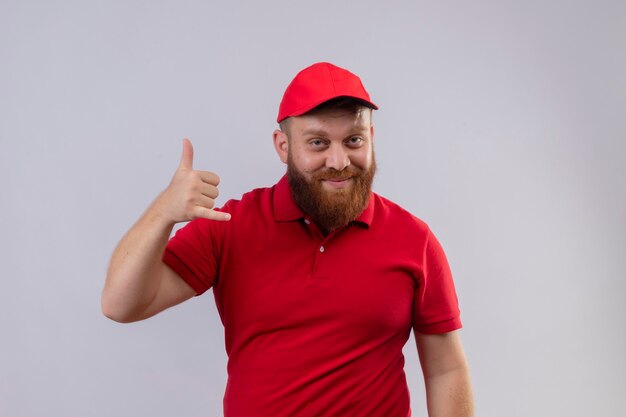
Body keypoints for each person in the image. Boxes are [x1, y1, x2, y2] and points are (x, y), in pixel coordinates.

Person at [102, 62, 474, 417]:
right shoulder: (230, 225)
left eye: (354, 140)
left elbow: (445, 370)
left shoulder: (414, 240)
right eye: (318, 143)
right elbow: (121, 305)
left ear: (371, 138)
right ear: (283, 146)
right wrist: (161, 215)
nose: (339, 160)